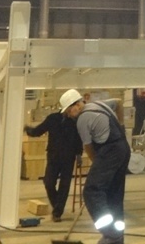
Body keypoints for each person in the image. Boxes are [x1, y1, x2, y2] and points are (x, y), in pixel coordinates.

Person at [62, 90, 131, 244]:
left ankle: (110, 234)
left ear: (77, 104)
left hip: (110, 151)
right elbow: (119, 102)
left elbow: (88, 147)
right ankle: (117, 239)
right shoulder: (99, 104)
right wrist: (121, 126)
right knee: (113, 195)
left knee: (91, 191)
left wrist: (97, 165)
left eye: (69, 110)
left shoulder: (82, 119)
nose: (69, 115)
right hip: (123, 148)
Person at [24, 93, 83, 222]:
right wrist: (28, 130)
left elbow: (79, 140)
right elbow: (39, 131)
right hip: (53, 157)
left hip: (69, 158)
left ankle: (57, 213)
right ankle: (57, 205)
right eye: (76, 106)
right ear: (69, 107)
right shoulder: (53, 119)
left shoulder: (77, 122)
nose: (78, 109)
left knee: (64, 185)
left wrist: (79, 154)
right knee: (49, 182)